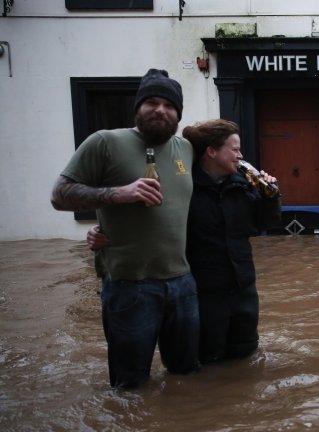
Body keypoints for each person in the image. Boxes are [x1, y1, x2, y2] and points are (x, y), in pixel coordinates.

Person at [51, 68, 199, 388]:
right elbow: (59, 195)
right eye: (152, 102)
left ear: (178, 114)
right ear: (138, 108)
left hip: (182, 283)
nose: (160, 110)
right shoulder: (105, 142)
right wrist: (120, 193)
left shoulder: (185, 149)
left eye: (169, 105)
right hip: (130, 287)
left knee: (186, 378)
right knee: (130, 387)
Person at [88, 119, 281, 365]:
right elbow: (153, 222)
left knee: (245, 357)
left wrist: (271, 197)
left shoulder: (243, 184)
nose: (240, 155)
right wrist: (102, 232)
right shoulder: (184, 187)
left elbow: (264, 224)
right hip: (204, 292)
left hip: (243, 288)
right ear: (211, 151)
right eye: (234, 149)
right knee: (207, 360)